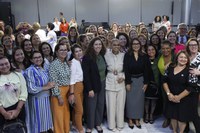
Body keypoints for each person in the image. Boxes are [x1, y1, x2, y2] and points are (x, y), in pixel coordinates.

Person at [24, 51, 54, 133]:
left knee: (45, 124)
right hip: (36, 101)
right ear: (31, 60)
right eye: (35, 57)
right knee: (38, 124)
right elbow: (31, 88)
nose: (38, 59)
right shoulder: (30, 70)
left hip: (45, 99)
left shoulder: (42, 68)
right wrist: (46, 87)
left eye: (40, 57)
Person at [124, 38, 151, 129]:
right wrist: (127, 82)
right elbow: (126, 69)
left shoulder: (144, 55)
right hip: (131, 80)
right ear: (131, 45)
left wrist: (146, 83)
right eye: (134, 44)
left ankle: (137, 119)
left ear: (140, 45)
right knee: (130, 101)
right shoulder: (127, 55)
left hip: (141, 80)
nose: (136, 45)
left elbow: (147, 70)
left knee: (139, 101)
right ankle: (130, 119)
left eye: (137, 43)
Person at [82, 37, 106, 133]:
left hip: (102, 83)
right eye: (96, 44)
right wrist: (89, 89)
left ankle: (98, 123)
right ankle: (90, 125)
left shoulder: (102, 56)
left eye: (100, 44)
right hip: (92, 84)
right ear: (92, 46)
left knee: (100, 104)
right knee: (91, 106)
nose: (98, 46)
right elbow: (86, 75)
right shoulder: (87, 57)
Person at [163, 51, 191, 133]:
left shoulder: (190, 70)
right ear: (177, 58)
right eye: (181, 57)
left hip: (184, 98)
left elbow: (191, 87)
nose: (183, 59)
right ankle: (174, 131)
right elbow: (164, 81)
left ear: (188, 59)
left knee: (182, 117)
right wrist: (169, 94)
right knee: (173, 116)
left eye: (185, 58)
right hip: (171, 97)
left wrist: (179, 97)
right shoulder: (170, 67)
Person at [104, 38, 126, 131]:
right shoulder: (106, 55)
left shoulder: (124, 55)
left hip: (121, 80)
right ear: (111, 45)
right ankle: (112, 125)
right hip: (109, 79)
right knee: (111, 105)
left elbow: (127, 69)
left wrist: (123, 76)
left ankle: (120, 124)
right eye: (114, 45)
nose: (116, 46)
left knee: (120, 104)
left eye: (118, 45)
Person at [49, 43, 71, 133]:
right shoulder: (54, 64)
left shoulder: (65, 63)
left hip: (67, 92)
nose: (63, 52)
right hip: (58, 93)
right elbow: (53, 82)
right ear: (57, 52)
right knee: (59, 116)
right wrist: (59, 96)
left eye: (65, 50)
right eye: (61, 50)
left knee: (66, 115)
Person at [0, 56, 28, 128]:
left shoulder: (18, 75)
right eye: (1, 65)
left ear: (10, 63)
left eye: (6, 63)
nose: (4, 66)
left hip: (19, 108)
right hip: (2, 111)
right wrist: (4, 113)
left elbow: (24, 93)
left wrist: (17, 110)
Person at [157, 40, 175, 128]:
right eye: (163, 48)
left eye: (167, 48)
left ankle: (173, 119)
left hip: (174, 82)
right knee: (165, 100)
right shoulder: (159, 55)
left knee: (173, 100)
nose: (165, 50)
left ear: (171, 48)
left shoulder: (175, 57)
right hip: (163, 82)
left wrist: (171, 63)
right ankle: (167, 118)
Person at [185, 38, 200, 133]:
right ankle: (185, 129)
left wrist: (199, 72)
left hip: (196, 88)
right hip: (185, 87)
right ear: (188, 47)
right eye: (191, 45)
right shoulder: (186, 56)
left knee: (194, 110)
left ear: (198, 46)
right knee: (185, 109)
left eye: (195, 45)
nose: (193, 46)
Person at [69, 44, 84, 133]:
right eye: (76, 52)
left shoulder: (79, 61)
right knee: (79, 111)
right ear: (73, 54)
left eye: (80, 51)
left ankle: (74, 125)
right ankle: (80, 130)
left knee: (76, 109)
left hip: (81, 86)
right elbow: (72, 79)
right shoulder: (73, 63)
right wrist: (71, 93)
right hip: (76, 87)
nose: (78, 53)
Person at [144, 45, 159, 124]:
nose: (151, 51)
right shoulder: (145, 60)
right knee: (146, 100)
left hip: (156, 83)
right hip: (147, 83)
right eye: (149, 50)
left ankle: (151, 115)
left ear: (155, 50)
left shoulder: (158, 60)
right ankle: (146, 114)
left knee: (153, 101)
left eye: (152, 49)